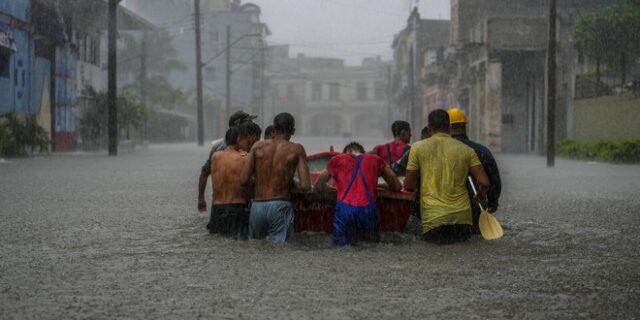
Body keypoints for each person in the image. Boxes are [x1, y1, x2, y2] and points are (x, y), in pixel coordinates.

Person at [403, 109, 490, 245]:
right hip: (463, 220)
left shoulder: (417, 148)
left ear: (429, 128)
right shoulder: (466, 150)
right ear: (449, 128)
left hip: (434, 220)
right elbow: (484, 182)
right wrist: (480, 195)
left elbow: (408, 185)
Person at [240, 113, 311, 242]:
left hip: (257, 207)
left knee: (256, 248)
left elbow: (244, 179)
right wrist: (291, 183)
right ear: (293, 131)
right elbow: (306, 186)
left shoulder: (257, 147)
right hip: (280, 205)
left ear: (273, 128)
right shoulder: (297, 149)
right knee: (279, 252)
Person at [315, 142, 401, 246]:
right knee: (371, 247)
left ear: (346, 153)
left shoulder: (337, 160)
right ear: (363, 153)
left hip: (344, 211)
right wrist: (382, 186)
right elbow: (397, 186)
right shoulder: (375, 159)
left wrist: (331, 189)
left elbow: (318, 185)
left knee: (340, 248)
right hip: (368, 211)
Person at [448, 108, 502, 233]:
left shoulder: (437, 152)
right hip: (475, 210)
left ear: (448, 127)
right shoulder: (482, 151)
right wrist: (492, 204)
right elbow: (494, 182)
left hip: (443, 212)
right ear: (464, 127)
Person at [208, 121, 262, 238]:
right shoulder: (244, 158)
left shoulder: (215, 157)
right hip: (237, 209)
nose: (248, 144)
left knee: (219, 242)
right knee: (239, 245)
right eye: (246, 141)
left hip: (217, 209)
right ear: (238, 139)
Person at [197, 111, 257, 214]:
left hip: (231, 204)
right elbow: (205, 172)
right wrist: (201, 198)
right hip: (234, 204)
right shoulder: (219, 147)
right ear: (238, 126)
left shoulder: (253, 143)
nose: (251, 124)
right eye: (248, 123)